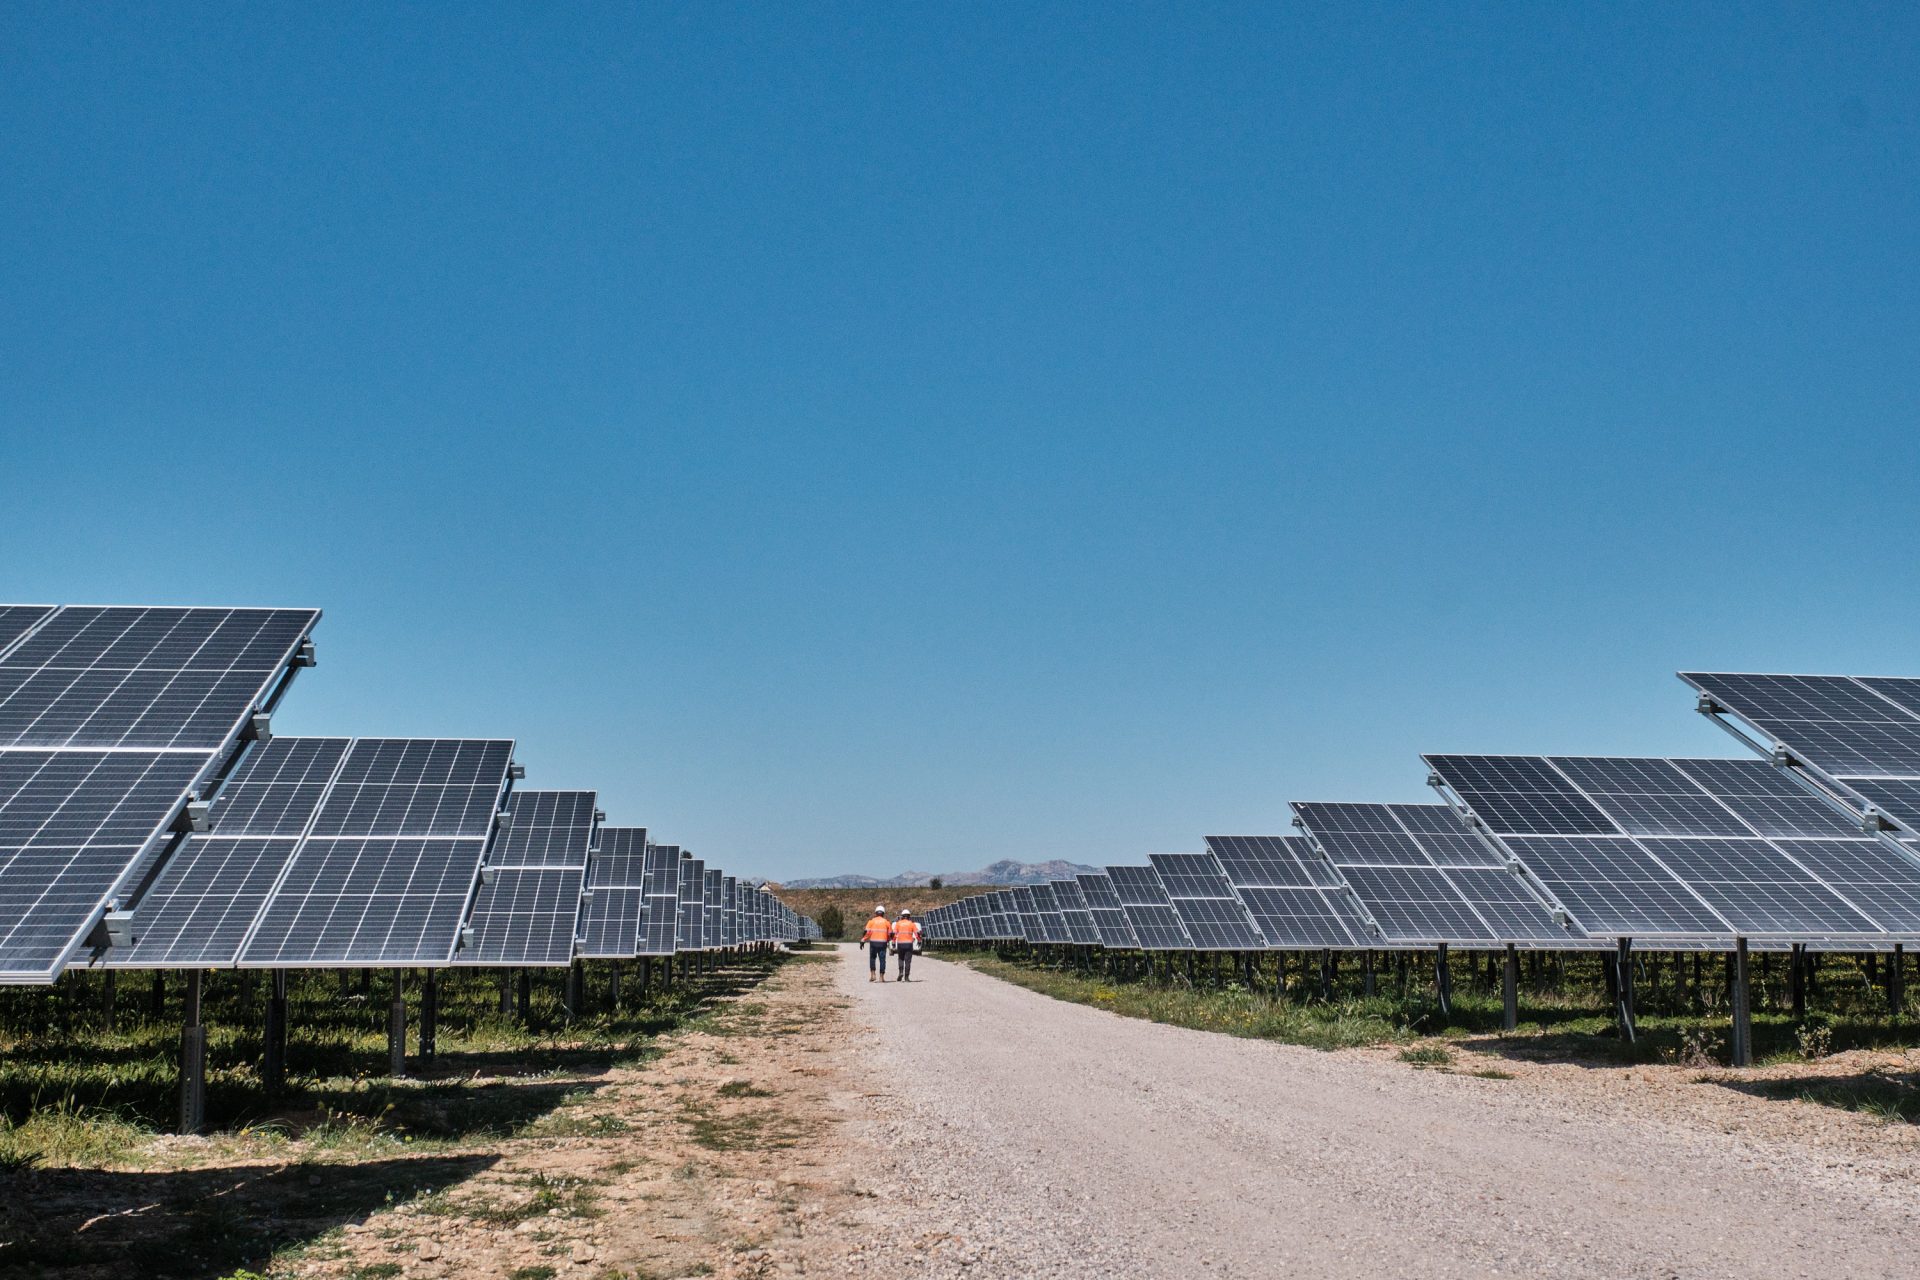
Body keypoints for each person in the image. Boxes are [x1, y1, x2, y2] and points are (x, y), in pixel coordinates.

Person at [890, 909, 922, 982]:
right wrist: (919, 941)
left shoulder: (898, 924)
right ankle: (907, 977)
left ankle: (901, 972)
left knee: (901, 958)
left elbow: (894, 934)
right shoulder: (911, 924)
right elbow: (917, 933)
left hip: (900, 944)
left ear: (902, 916)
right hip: (908, 944)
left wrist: (893, 942)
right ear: (909, 916)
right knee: (908, 961)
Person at [862, 906, 892, 981]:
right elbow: (890, 934)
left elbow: (866, 933)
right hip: (882, 943)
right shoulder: (887, 922)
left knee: (872, 958)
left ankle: (873, 975)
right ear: (883, 913)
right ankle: (881, 977)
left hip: (873, 943)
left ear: (876, 913)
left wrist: (863, 940)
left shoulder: (871, 922)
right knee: (882, 959)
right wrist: (888, 940)